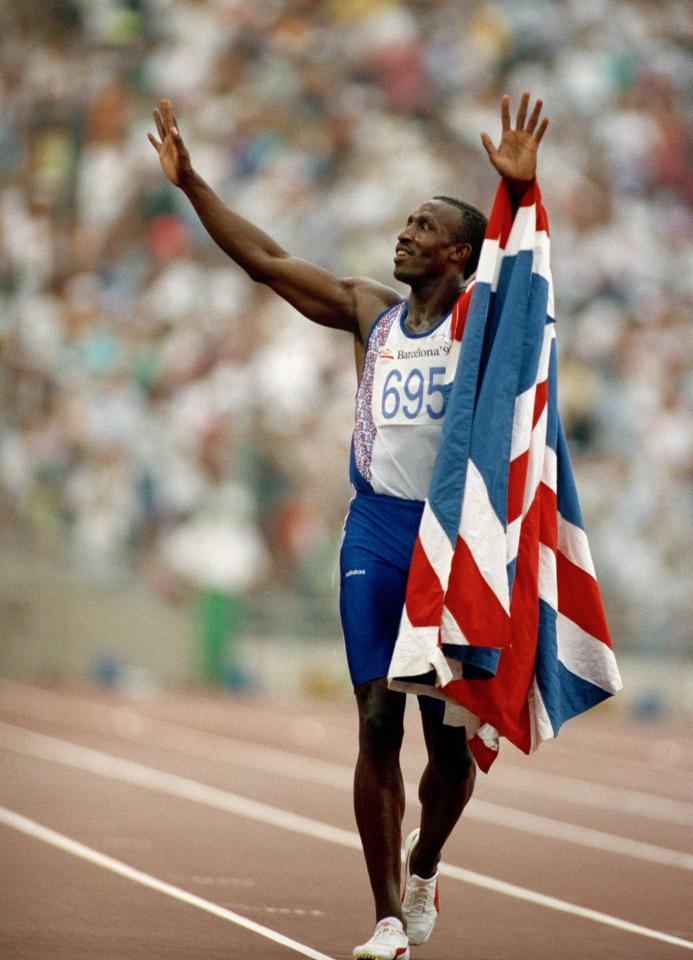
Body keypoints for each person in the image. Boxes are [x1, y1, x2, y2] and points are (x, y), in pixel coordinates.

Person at [149, 91, 548, 960]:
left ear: (458, 253)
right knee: (375, 722)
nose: (400, 233)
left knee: (447, 745)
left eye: (420, 226)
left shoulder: (482, 321)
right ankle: (387, 924)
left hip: (451, 539)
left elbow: (526, 281)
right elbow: (264, 258)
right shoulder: (370, 311)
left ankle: (426, 861)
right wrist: (191, 184)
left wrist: (519, 193)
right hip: (375, 527)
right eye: (402, 221)